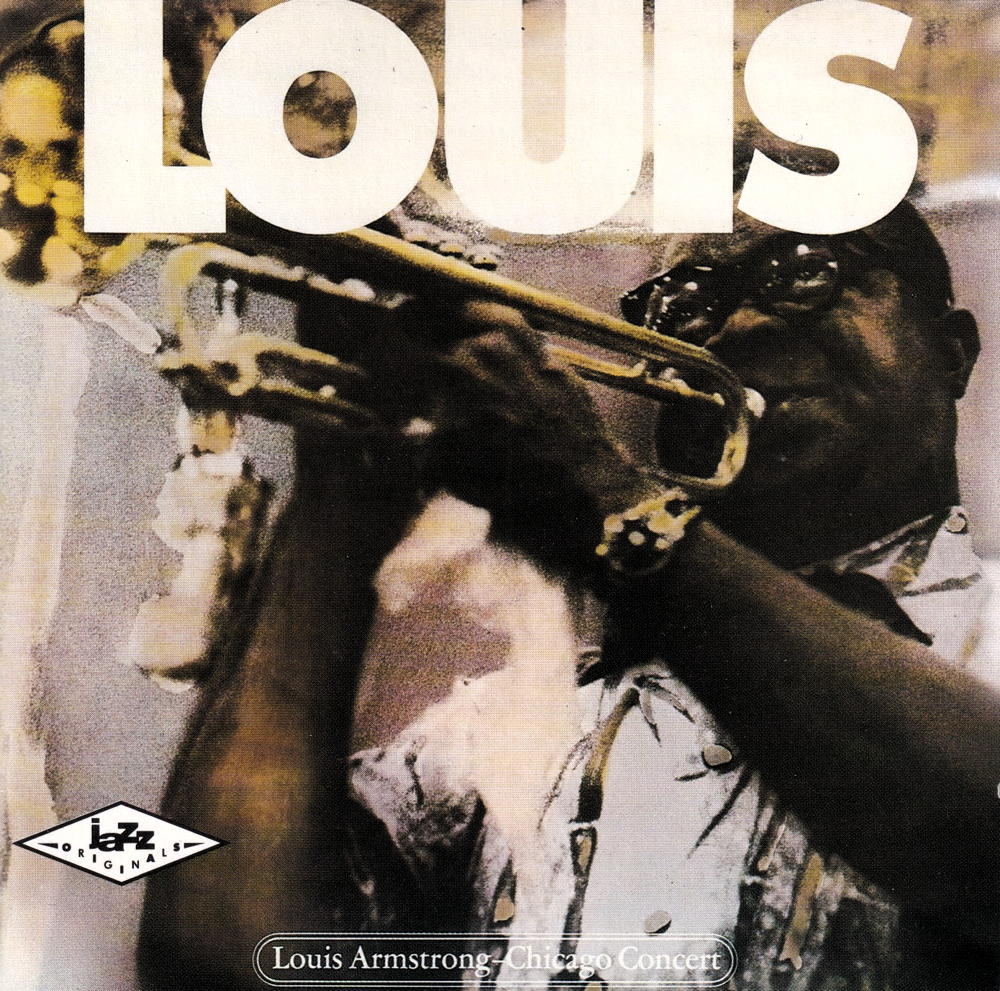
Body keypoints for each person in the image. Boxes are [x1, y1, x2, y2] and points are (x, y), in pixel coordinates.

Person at [137, 199, 1000, 991]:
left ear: (954, 351)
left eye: (807, 269)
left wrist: (605, 499)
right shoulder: (512, 726)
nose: (739, 325)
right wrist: (344, 484)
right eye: (686, 303)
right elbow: (222, 960)